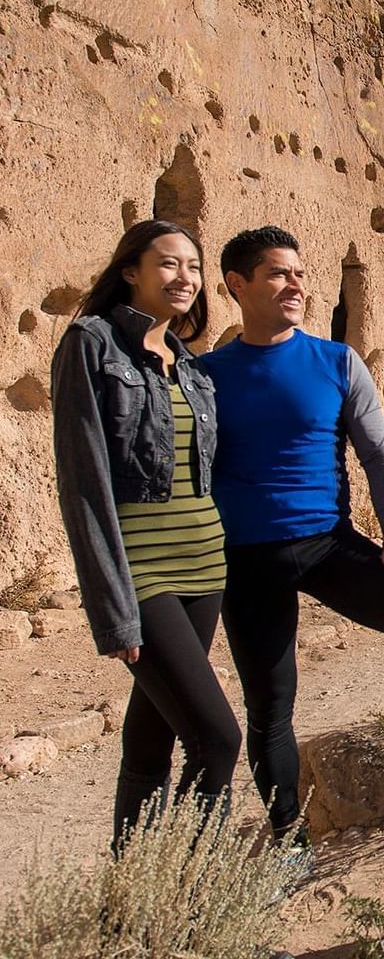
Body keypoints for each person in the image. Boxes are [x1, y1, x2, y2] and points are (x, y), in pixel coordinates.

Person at [203, 225, 384, 845]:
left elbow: (379, 453)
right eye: (279, 273)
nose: (296, 284)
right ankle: (288, 839)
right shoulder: (207, 377)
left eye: (300, 273)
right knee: (270, 704)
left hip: (328, 545)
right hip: (245, 560)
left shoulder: (336, 361)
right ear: (237, 284)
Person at [51, 219, 241, 852]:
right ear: (131, 270)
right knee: (217, 739)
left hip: (203, 569)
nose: (184, 277)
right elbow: (83, 483)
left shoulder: (186, 362)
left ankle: (130, 902)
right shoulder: (91, 344)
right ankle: (186, 903)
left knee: (153, 735)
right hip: (145, 574)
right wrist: (113, 611)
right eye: (168, 264)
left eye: (193, 266)